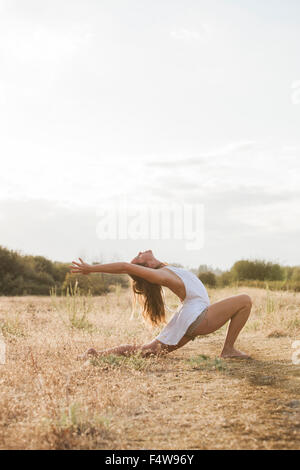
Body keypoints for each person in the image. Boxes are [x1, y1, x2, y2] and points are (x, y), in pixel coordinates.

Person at [70, 250, 252, 360]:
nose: (141, 251)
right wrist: (90, 268)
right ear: (146, 265)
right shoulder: (161, 275)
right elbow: (125, 267)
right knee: (244, 300)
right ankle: (228, 349)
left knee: (147, 351)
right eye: (138, 255)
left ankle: (97, 354)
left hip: (188, 316)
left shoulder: (165, 270)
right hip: (196, 317)